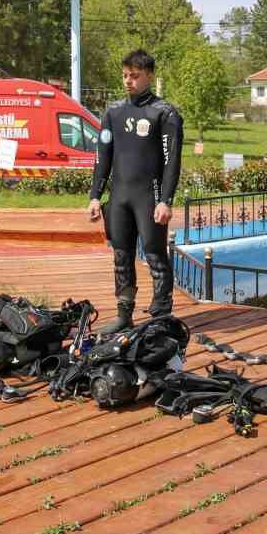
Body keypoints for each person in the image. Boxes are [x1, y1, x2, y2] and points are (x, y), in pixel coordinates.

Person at [87, 50, 184, 334]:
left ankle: (161, 315)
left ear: (149, 76)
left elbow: (172, 161)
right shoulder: (113, 112)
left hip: (149, 197)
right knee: (121, 255)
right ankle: (123, 313)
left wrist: (166, 200)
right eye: (125, 75)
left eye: (135, 76)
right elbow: (102, 156)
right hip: (119, 197)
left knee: (155, 254)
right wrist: (95, 195)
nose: (129, 81)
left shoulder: (164, 113)